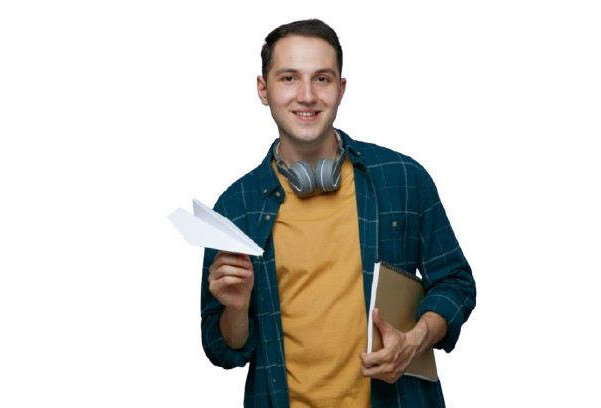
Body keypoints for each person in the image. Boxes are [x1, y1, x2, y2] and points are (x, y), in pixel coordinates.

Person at [200, 16, 476, 407]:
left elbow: (456, 284)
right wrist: (237, 310)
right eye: (289, 78)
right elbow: (224, 351)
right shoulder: (233, 208)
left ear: (341, 89)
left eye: (322, 78)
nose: (307, 96)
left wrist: (415, 339)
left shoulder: (403, 177)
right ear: (263, 90)